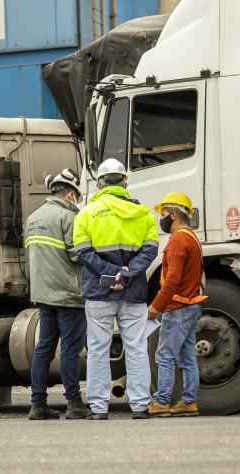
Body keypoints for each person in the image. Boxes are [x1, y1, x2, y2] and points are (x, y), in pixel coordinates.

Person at [73, 158, 158, 420]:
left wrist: (110, 274)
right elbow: (151, 250)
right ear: (125, 182)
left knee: (98, 350)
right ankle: (141, 405)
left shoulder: (86, 213)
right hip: (133, 293)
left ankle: (99, 408)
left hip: (100, 292)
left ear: (99, 183)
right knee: (136, 348)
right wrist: (127, 274)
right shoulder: (143, 213)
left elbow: (83, 252)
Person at [23, 168, 87, 420]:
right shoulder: (68, 218)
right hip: (68, 295)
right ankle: (74, 404)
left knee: (44, 349)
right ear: (70, 195)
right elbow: (76, 254)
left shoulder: (32, 218)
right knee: (70, 350)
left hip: (43, 294)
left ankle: (37, 405)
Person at [147, 192, 207, 417]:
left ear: (173, 215)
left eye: (162, 214)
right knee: (186, 356)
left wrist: (156, 305)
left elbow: (172, 278)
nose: (161, 219)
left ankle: (161, 401)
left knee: (164, 355)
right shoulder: (192, 237)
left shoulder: (178, 239)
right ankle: (188, 402)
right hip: (191, 305)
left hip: (177, 307)